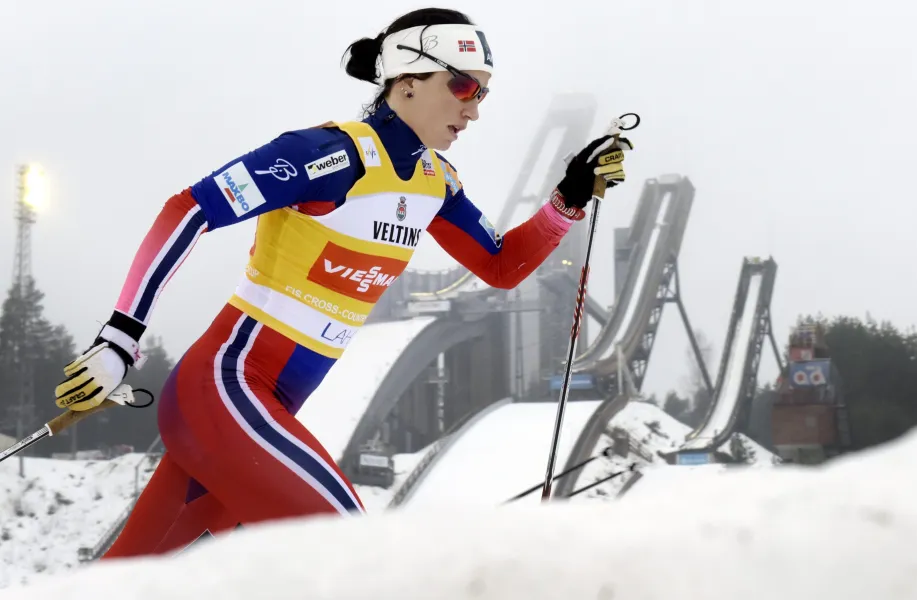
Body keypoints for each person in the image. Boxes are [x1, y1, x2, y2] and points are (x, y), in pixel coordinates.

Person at [52, 7, 633, 559]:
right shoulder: (328, 153)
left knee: (129, 579)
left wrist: (569, 198)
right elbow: (189, 209)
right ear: (406, 81)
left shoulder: (437, 182)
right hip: (226, 386)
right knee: (354, 554)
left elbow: (502, 267)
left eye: (483, 92)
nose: (474, 109)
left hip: (271, 406)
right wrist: (119, 340)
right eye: (461, 87)